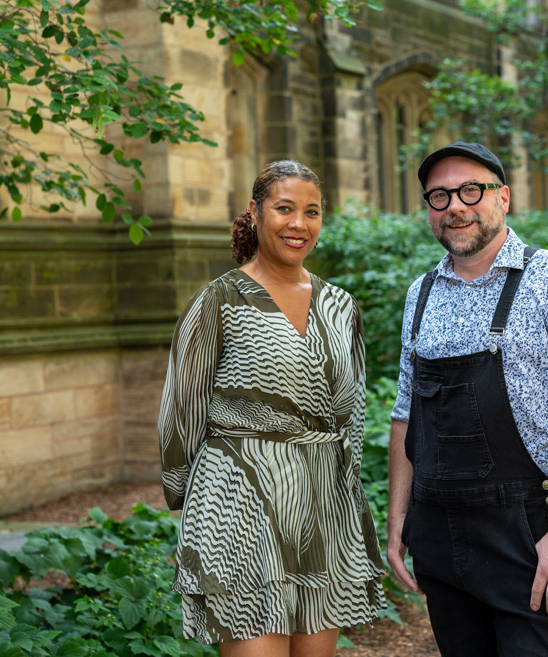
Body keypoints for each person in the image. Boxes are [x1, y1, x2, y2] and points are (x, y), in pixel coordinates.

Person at [386, 142, 548, 657]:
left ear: (503, 198)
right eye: (439, 195)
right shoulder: (420, 294)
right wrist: (399, 520)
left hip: (528, 535)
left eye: (471, 190)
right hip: (438, 531)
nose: (455, 206)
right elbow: (406, 416)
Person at [158, 160, 386, 657]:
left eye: (312, 212)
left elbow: (353, 412)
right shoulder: (217, 302)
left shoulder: (341, 307)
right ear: (256, 213)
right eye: (284, 209)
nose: (299, 223)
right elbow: (181, 412)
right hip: (241, 505)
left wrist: (348, 498)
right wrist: (187, 503)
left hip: (324, 506)